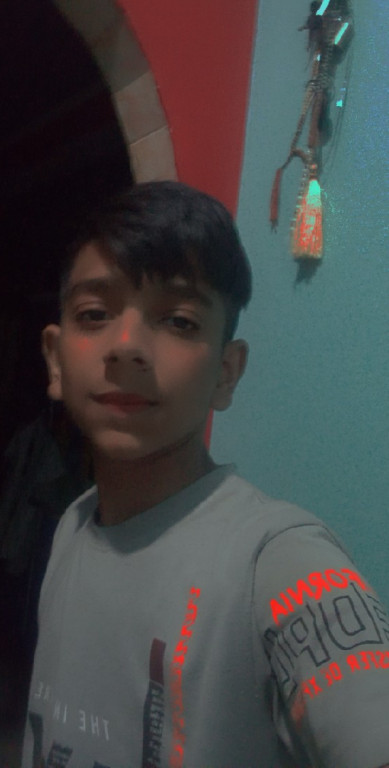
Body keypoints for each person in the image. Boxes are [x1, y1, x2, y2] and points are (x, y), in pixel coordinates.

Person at [22, 181, 389, 768]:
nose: (126, 346)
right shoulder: (72, 525)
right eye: (95, 314)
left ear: (226, 372)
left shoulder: (277, 561)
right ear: (55, 359)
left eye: (179, 321)